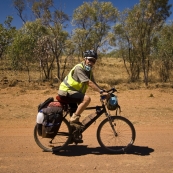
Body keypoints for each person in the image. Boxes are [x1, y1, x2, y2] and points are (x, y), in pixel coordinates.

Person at [58, 50, 108, 125]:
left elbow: (94, 83)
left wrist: (103, 90)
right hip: (66, 92)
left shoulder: (89, 72)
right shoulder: (79, 68)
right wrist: (100, 92)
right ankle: (74, 119)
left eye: (93, 61)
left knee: (74, 120)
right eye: (89, 60)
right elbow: (89, 82)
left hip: (73, 93)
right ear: (85, 59)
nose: (91, 63)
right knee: (86, 99)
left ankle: (73, 134)